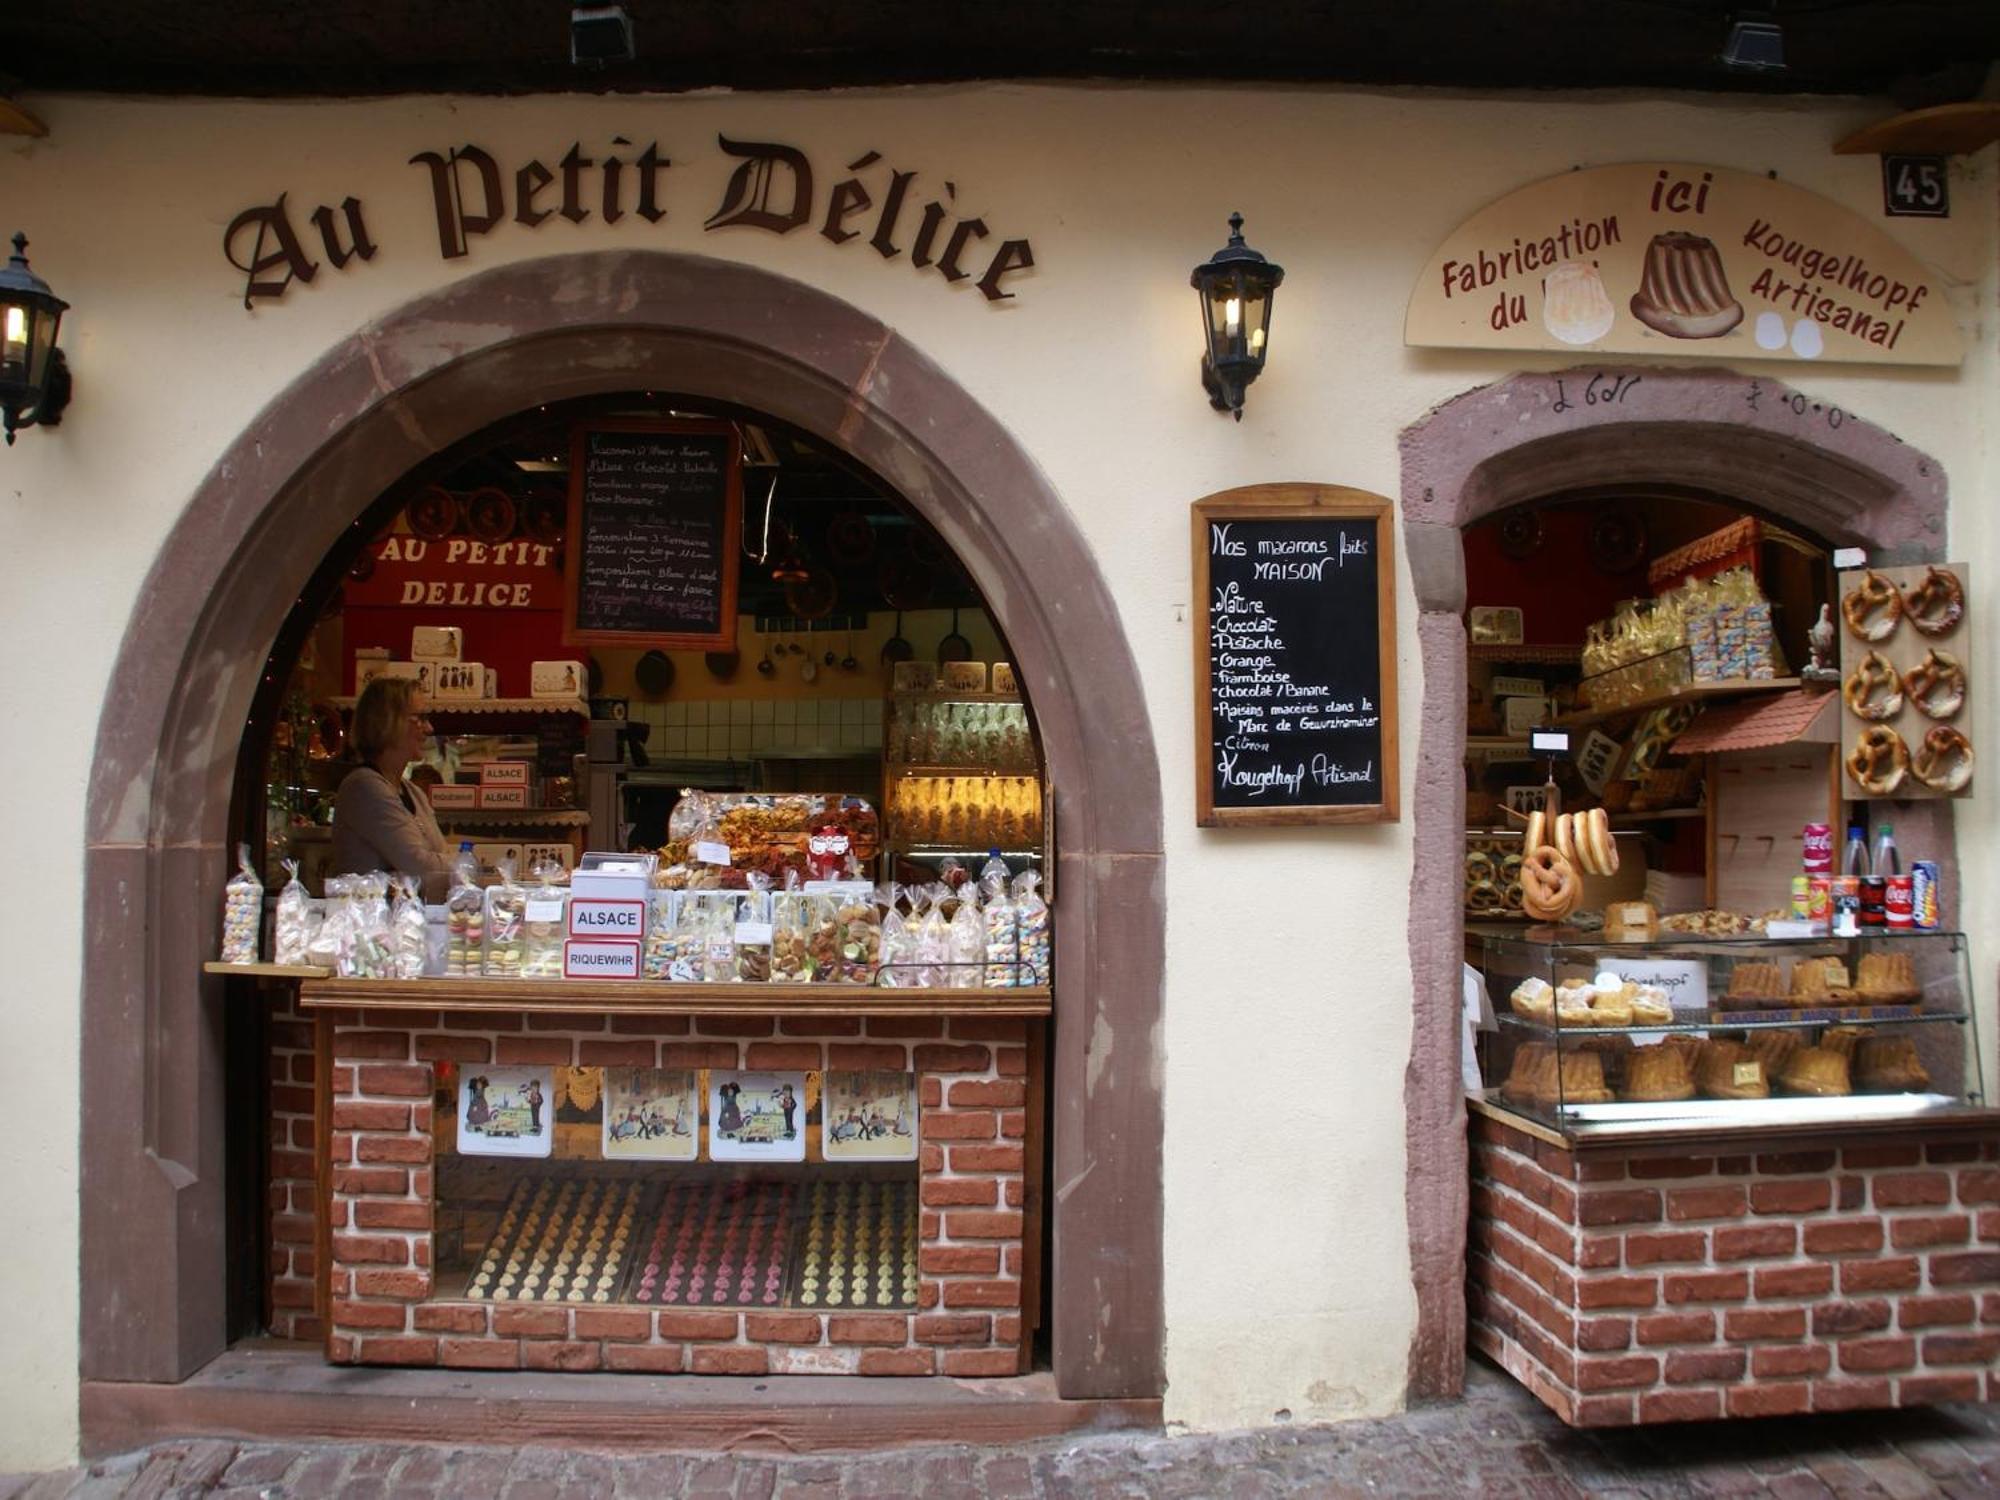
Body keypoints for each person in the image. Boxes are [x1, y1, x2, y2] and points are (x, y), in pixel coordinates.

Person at [329, 676, 455, 900]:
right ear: (388, 721)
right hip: (368, 929)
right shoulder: (364, 787)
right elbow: (423, 869)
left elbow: (436, 863)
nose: (429, 727)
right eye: (420, 718)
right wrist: (448, 865)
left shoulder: (413, 792)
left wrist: (420, 871)